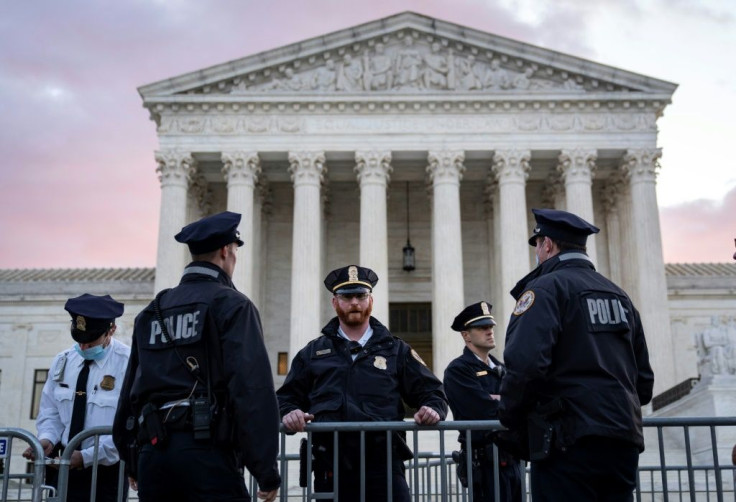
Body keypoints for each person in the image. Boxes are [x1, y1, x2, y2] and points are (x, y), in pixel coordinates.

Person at [112, 211, 280, 502]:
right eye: (235, 252)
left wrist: (132, 458)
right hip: (207, 453)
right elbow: (251, 389)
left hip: (153, 453)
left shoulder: (153, 310)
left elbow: (130, 393)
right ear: (226, 251)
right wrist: (265, 468)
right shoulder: (232, 305)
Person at [498, 208, 654, 502]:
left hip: (567, 439)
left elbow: (526, 364)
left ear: (547, 245)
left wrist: (511, 419)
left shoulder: (544, 289)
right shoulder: (620, 296)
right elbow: (643, 382)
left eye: (537, 246)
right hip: (623, 439)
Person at [277, 264, 449, 501]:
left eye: (361, 296)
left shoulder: (396, 350)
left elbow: (432, 391)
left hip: (383, 464)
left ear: (371, 301)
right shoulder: (313, 353)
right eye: (347, 297)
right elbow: (285, 398)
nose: (355, 302)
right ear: (335, 303)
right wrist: (290, 412)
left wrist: (433, 409)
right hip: (331, 465)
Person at [23, 293, 130, 502]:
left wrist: (86, 457)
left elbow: (128, 425)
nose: (83, 348)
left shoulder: (128, 363)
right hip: (62, 466)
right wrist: (47, 439)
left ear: (111, 330)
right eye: (79, 341)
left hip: (105, 472)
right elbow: (51, 410)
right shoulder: (64, 360)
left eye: (90, 342)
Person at [444, 301, 522, 502]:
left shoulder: (502, 368)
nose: (489, 332)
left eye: (490, 327)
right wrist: (506, 401)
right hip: (484, 464)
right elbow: (482, 410)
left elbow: (522, 401)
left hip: (512, 459)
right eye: (482, 328)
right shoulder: (458, 370)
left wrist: (499, 400)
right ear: (466, 335)